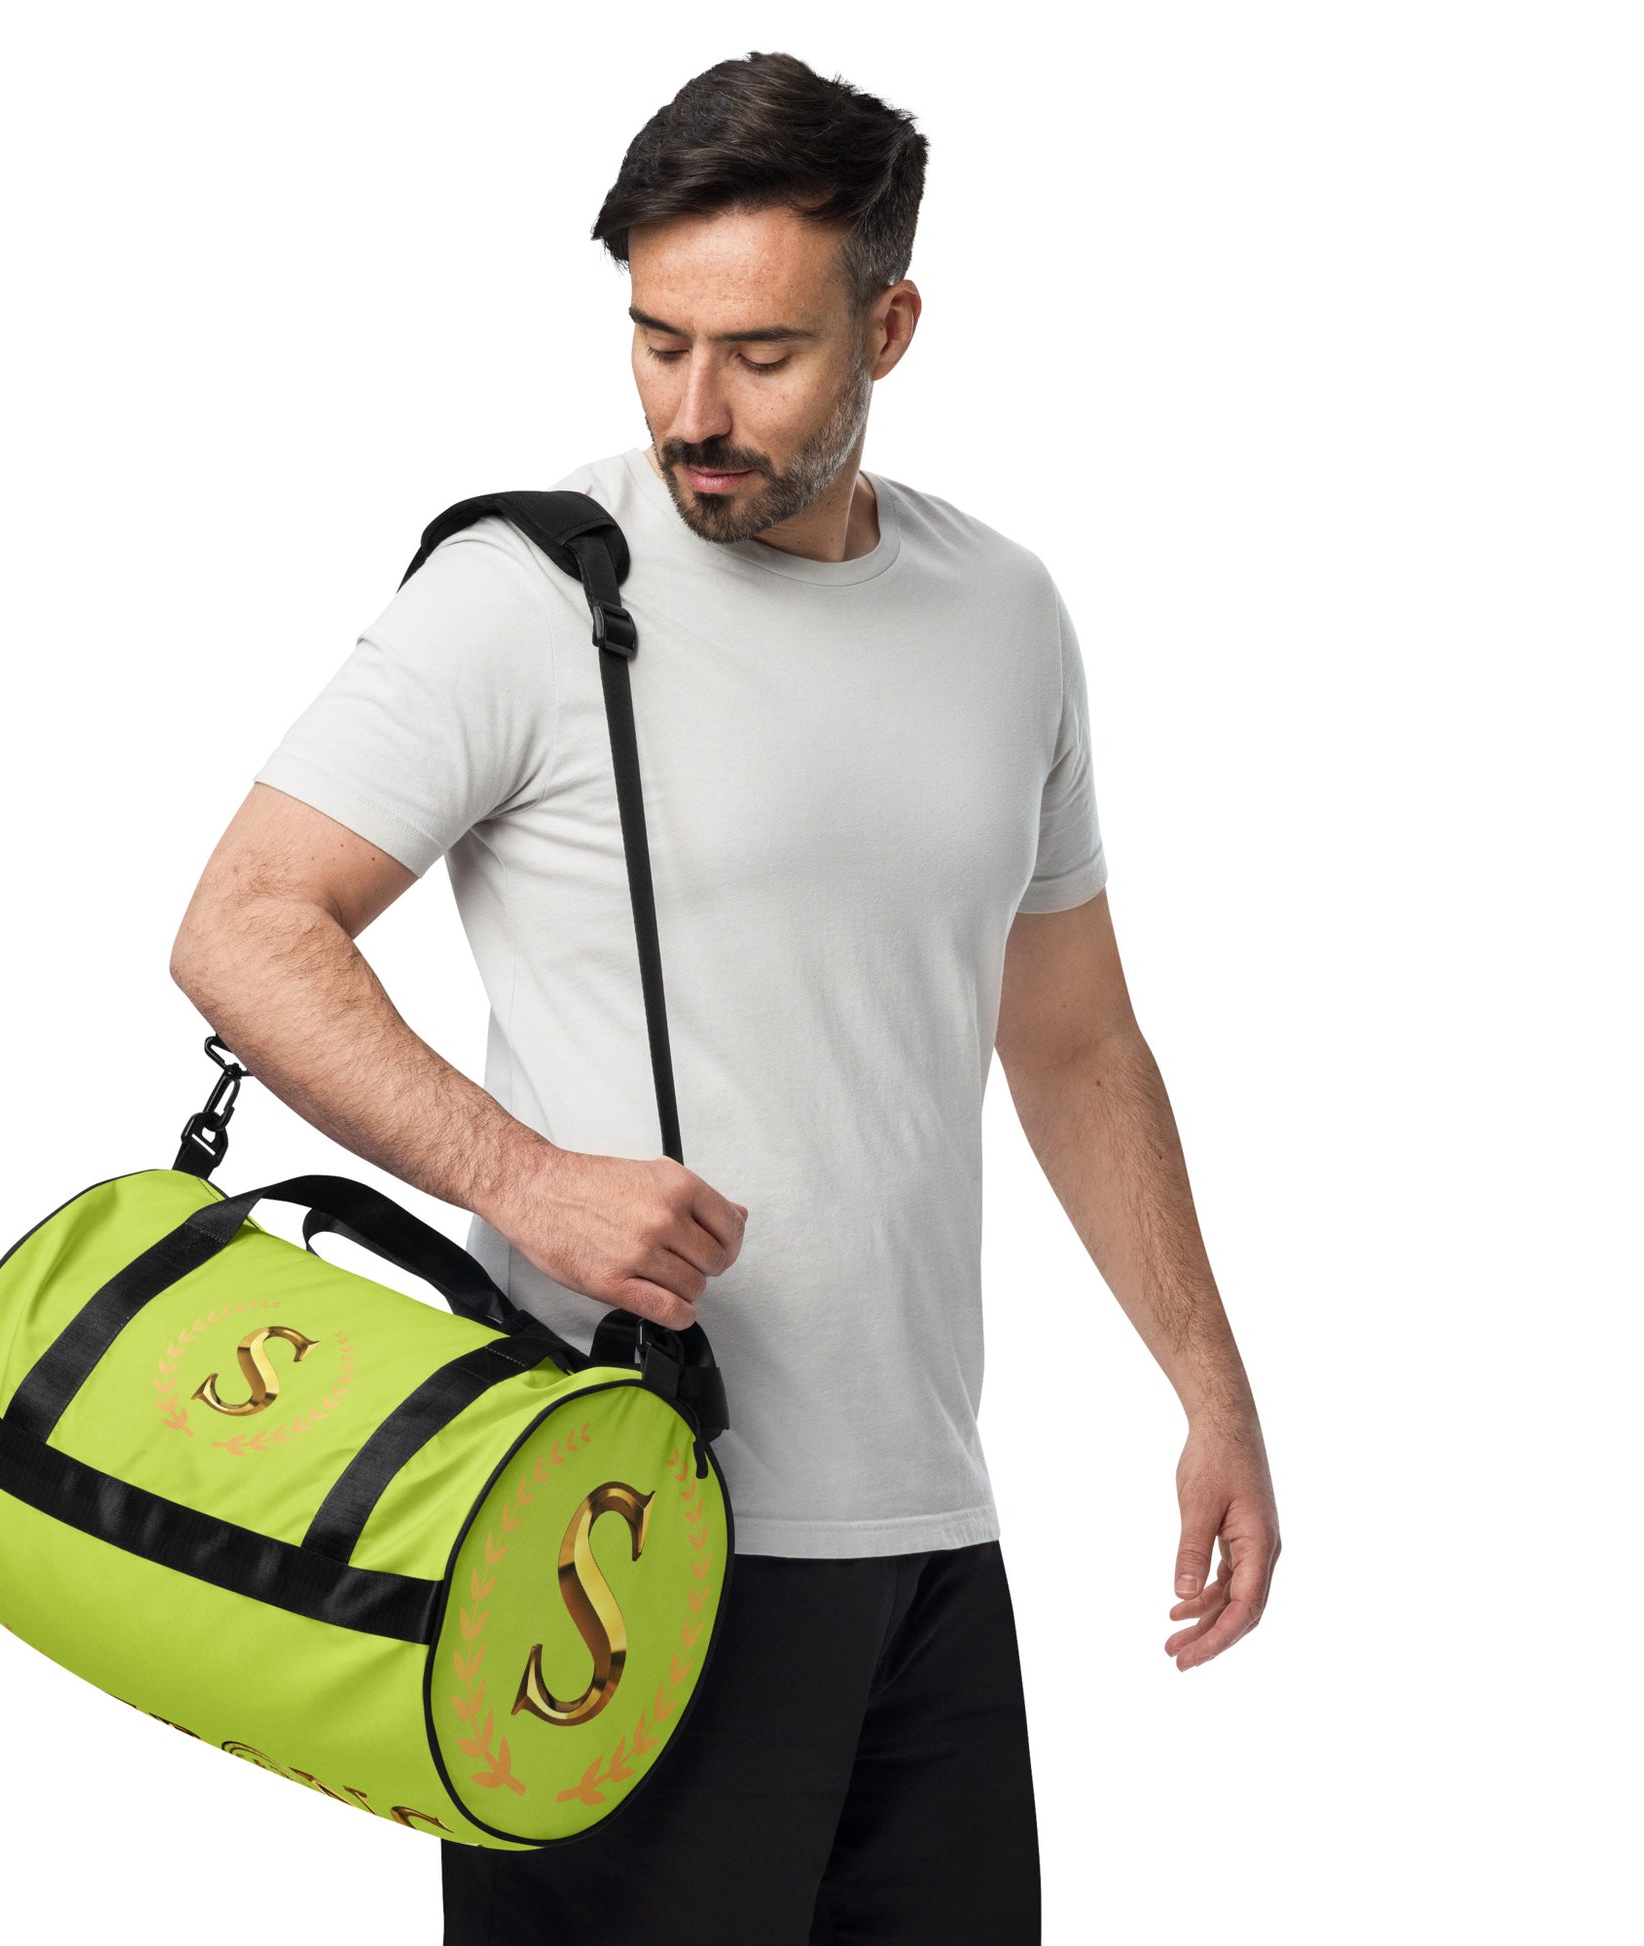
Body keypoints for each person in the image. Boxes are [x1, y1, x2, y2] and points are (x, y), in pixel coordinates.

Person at [170, 49, 1280, 1946]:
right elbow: (246, 924)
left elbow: (1074, 1036)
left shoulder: (1003, 612)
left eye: (760, 354)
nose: (695, 409)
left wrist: (1208, 1381)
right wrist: (522, 1177)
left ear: (888, 327)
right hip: (600, 1540)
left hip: (928, 1527)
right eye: (655, 339)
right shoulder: (526, 592)